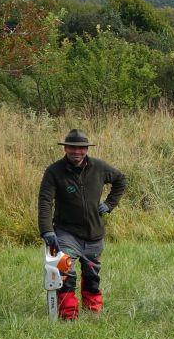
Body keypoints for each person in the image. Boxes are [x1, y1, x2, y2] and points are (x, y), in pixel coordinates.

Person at [37, 129, 127, 320]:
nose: (76, 152)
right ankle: (68, 314)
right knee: (65, 271)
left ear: (86, 149)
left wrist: (109, 204)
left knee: (92, 274)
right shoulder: (54, 171)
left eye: (81, 148)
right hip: (65, 232)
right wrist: (47, 230)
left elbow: (121, 180)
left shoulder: (99, 167)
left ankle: (93, 309)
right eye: (72, 148)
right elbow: (45, 201)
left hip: (94, 233)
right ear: (65, 149)